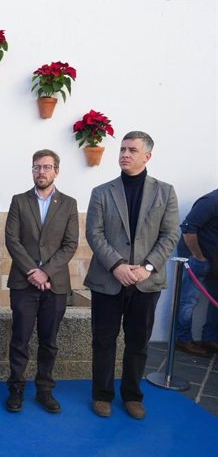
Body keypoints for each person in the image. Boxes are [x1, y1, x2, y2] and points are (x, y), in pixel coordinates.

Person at [85, 131, 179, 420]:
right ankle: (102, 395)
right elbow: (94, 233)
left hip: (146, 281)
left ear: (147, 156)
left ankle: (132, 396)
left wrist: (147, 267)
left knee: (138, 342)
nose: (125, 154)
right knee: (103, 340)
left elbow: (170, 234)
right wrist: (117, 265)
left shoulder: (165, 192)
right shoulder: (102, 192)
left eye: (132, 150)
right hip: (108, 280)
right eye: (123, 149)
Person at [4, 149, 78, 413]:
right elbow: (12, 240)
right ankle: (16, 388)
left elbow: (70, 245)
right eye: (37, 167)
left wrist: (46, 272)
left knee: (49, 341)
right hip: (24, 284)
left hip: (54, 285)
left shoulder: (69, 204)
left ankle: (44, 390)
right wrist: (33, 272)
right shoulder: (19, 201)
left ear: (56, 171)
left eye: (47, 167)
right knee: (20, 338)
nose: (41, 172)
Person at [175, 189, 218, 356]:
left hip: (214, 259)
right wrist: (198, 256)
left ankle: (210, 338)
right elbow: (188, 228)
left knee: (215, 299)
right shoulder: (211, 200)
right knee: (188, 301)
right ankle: (183, 339)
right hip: (196, 258)